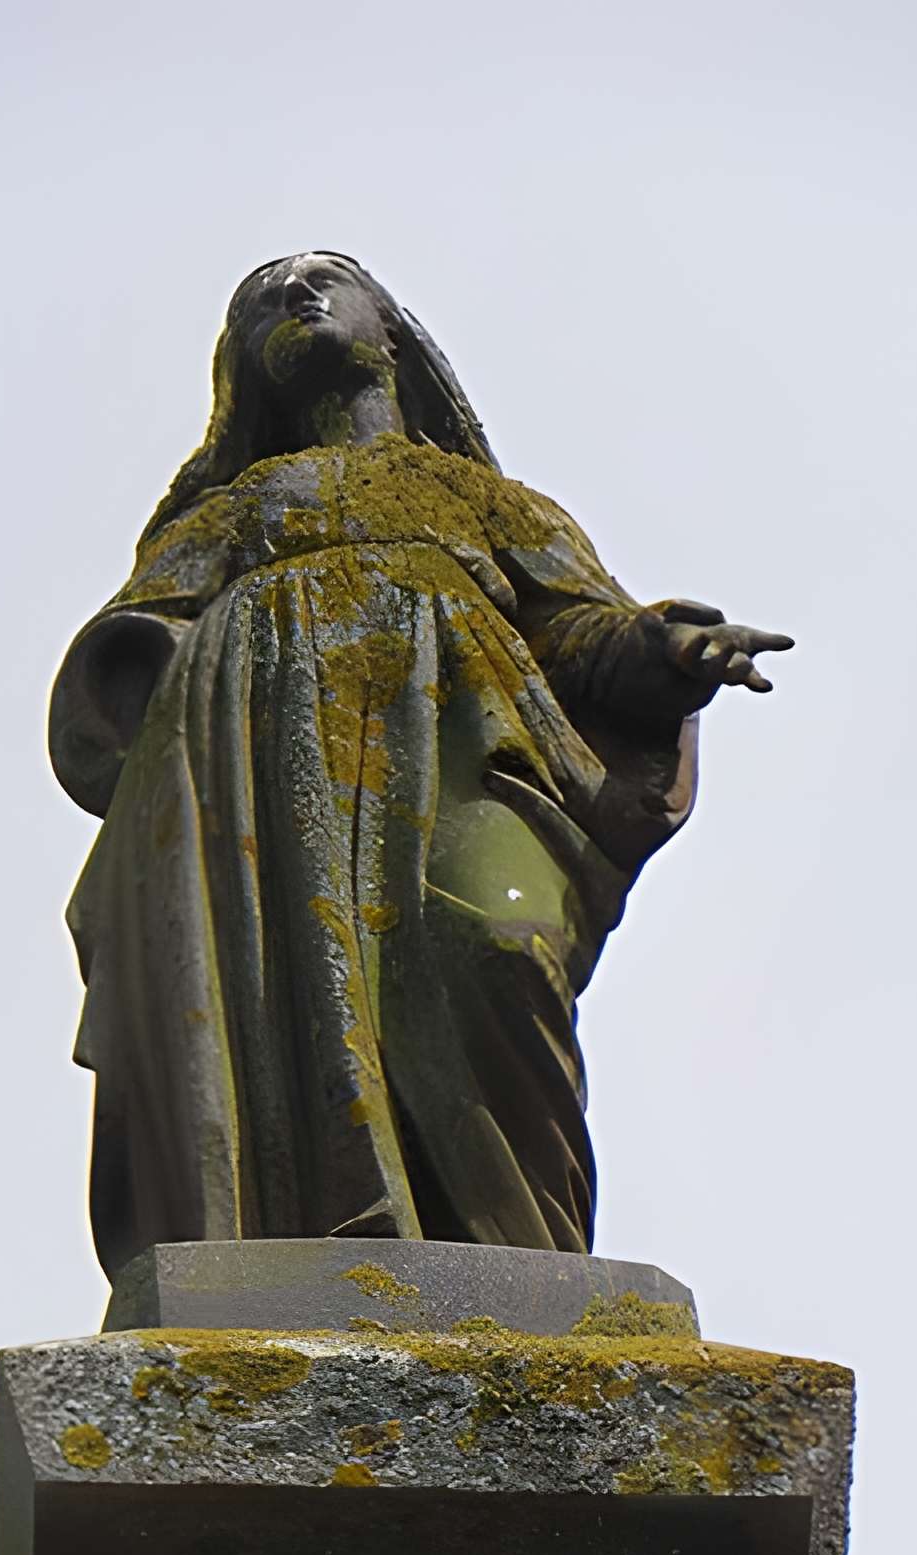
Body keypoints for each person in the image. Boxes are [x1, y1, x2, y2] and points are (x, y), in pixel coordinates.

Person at [50, 251, 790, 1276]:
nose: (292, 298)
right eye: (261, 299)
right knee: (282, 993)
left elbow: (573, 626)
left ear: (389, 330)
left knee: (497, 940)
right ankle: (298, 1255)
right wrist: (170, 673)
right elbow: (122, 658)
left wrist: (665, 650)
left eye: (320, 280)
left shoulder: (489, 504)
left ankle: (520, 1266)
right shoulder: (230, 512)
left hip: (463, 747)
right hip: (264, 773)